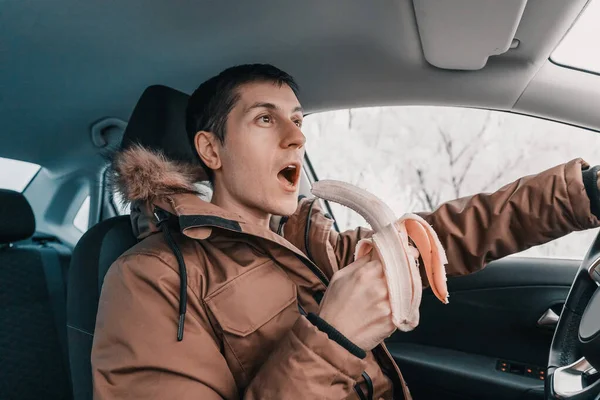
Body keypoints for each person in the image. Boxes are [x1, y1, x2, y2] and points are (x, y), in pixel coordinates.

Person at [91, 64, 600, 399]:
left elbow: (447, 234)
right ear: (211, 150)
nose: (297, 137)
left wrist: (583, 193)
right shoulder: (149, 281)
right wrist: (334, 338)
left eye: (297, 119)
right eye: (266, 119)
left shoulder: (310, 245)